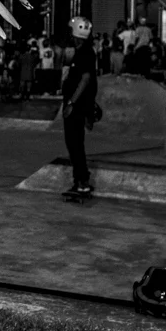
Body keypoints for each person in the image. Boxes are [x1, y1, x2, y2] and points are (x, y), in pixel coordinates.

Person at [59, 15, 99, 197]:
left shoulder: (85, 53)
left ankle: (82, 181)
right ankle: (81, 180)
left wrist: (71, 103)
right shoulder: (81, 51)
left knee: (74, 144)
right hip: (78, 105)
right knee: (75, 144)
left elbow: (86, 79)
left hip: (75, 106)